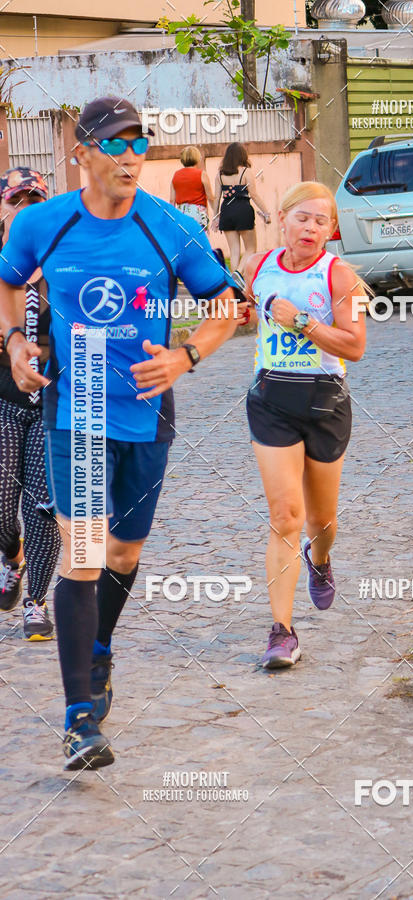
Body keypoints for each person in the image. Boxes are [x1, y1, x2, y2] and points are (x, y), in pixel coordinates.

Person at [0, 96, 246, 771]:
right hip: (76, 409)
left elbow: (226, 306)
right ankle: (79, 719)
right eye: (115, 143)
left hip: (146, 413)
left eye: (140, 142)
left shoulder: (171, 227)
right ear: (82, 153)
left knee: (124, 553)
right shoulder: (41, 223)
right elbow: (7, 282)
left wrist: (186, 355)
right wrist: (16, 341)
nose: (131, 155)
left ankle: (100, 647)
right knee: (82, 555)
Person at [242, 182, 366, 669]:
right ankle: (282, 632)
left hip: (325, 404)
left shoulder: (340, 276)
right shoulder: (256, 266)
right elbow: (243, 309)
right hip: (271, 400)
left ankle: (321, 557)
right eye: (302, 217)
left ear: (331, 230)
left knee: (321, 523)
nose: (311, 227)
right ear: (282, 219)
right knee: (286, 516)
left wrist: (302, 323)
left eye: (321, 221)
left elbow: (355, 346)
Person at [0, 167, 61, 640]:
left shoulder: (63, 265)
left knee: (43, 508)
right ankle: (12, 556)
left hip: (52, 407)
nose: (24, 209)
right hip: (3, 402)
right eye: (16, 200)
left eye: (34, 201)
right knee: (2, 508)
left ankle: (36, 603)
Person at [212, 142, 271, 276]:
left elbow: (216, 197)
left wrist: (215, 217)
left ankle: (235, 281)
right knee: (251, 248)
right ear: (242, 155)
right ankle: (238, 273)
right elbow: (254, 195)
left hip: (226, 211)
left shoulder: (220, 175)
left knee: (234, 251)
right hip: (243, 210)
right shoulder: (246, 172)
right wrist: (266, 213)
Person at [170, 145, 214, 231]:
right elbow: (210, 197)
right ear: (197, 158)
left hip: (181, 212)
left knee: (184, 238)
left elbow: (172, 200)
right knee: (199, 238)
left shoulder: (176, 175)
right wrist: (216, 212)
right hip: (198, 213)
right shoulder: (202, 174)